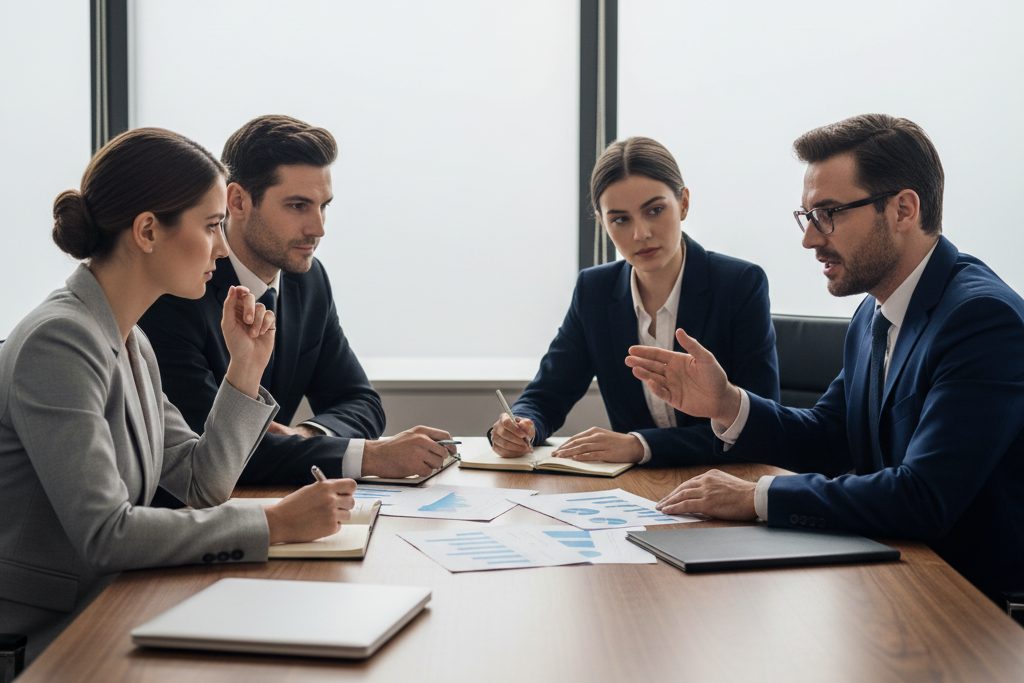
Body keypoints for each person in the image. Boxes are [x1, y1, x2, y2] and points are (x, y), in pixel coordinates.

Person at [626, 114, 1024, 603]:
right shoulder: (874, 311)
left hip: (974, 603)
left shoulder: (981, 319)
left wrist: (756, 497)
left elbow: (924, 497)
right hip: (897, 576)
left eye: (829, 214)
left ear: (903, 209)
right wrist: (728, 403)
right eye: (807, 216)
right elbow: (833, 436)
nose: (810, 239)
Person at [0, 128, 357, 664]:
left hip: (115, 605)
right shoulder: (60, 340)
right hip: (49, 637)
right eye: (212, 225)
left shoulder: (130, 339)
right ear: (147, 231)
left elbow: (200, 482)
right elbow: (106, 533)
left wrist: (244, 371)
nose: (221, 244)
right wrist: (273, 522)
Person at [139, 115, 454, 487]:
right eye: (298, 206)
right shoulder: (176, 290)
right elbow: (218, 453)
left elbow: (361, 401)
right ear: (237, 201)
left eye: (324, 206)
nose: (318, 228)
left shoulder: (310, 282)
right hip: (198, 518)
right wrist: (369, 455)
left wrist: (306, 435)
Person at [490, 137, 779, 465]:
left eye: (655, 210)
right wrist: (521, 427)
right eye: (620, 219)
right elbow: (548, 394)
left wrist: (641, 445)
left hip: (727, 482)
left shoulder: (739, 284)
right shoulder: (594, 290)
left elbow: (759, 423)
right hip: (636, 494)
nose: (640, 233)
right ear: (602, 222)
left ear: (683, 203)